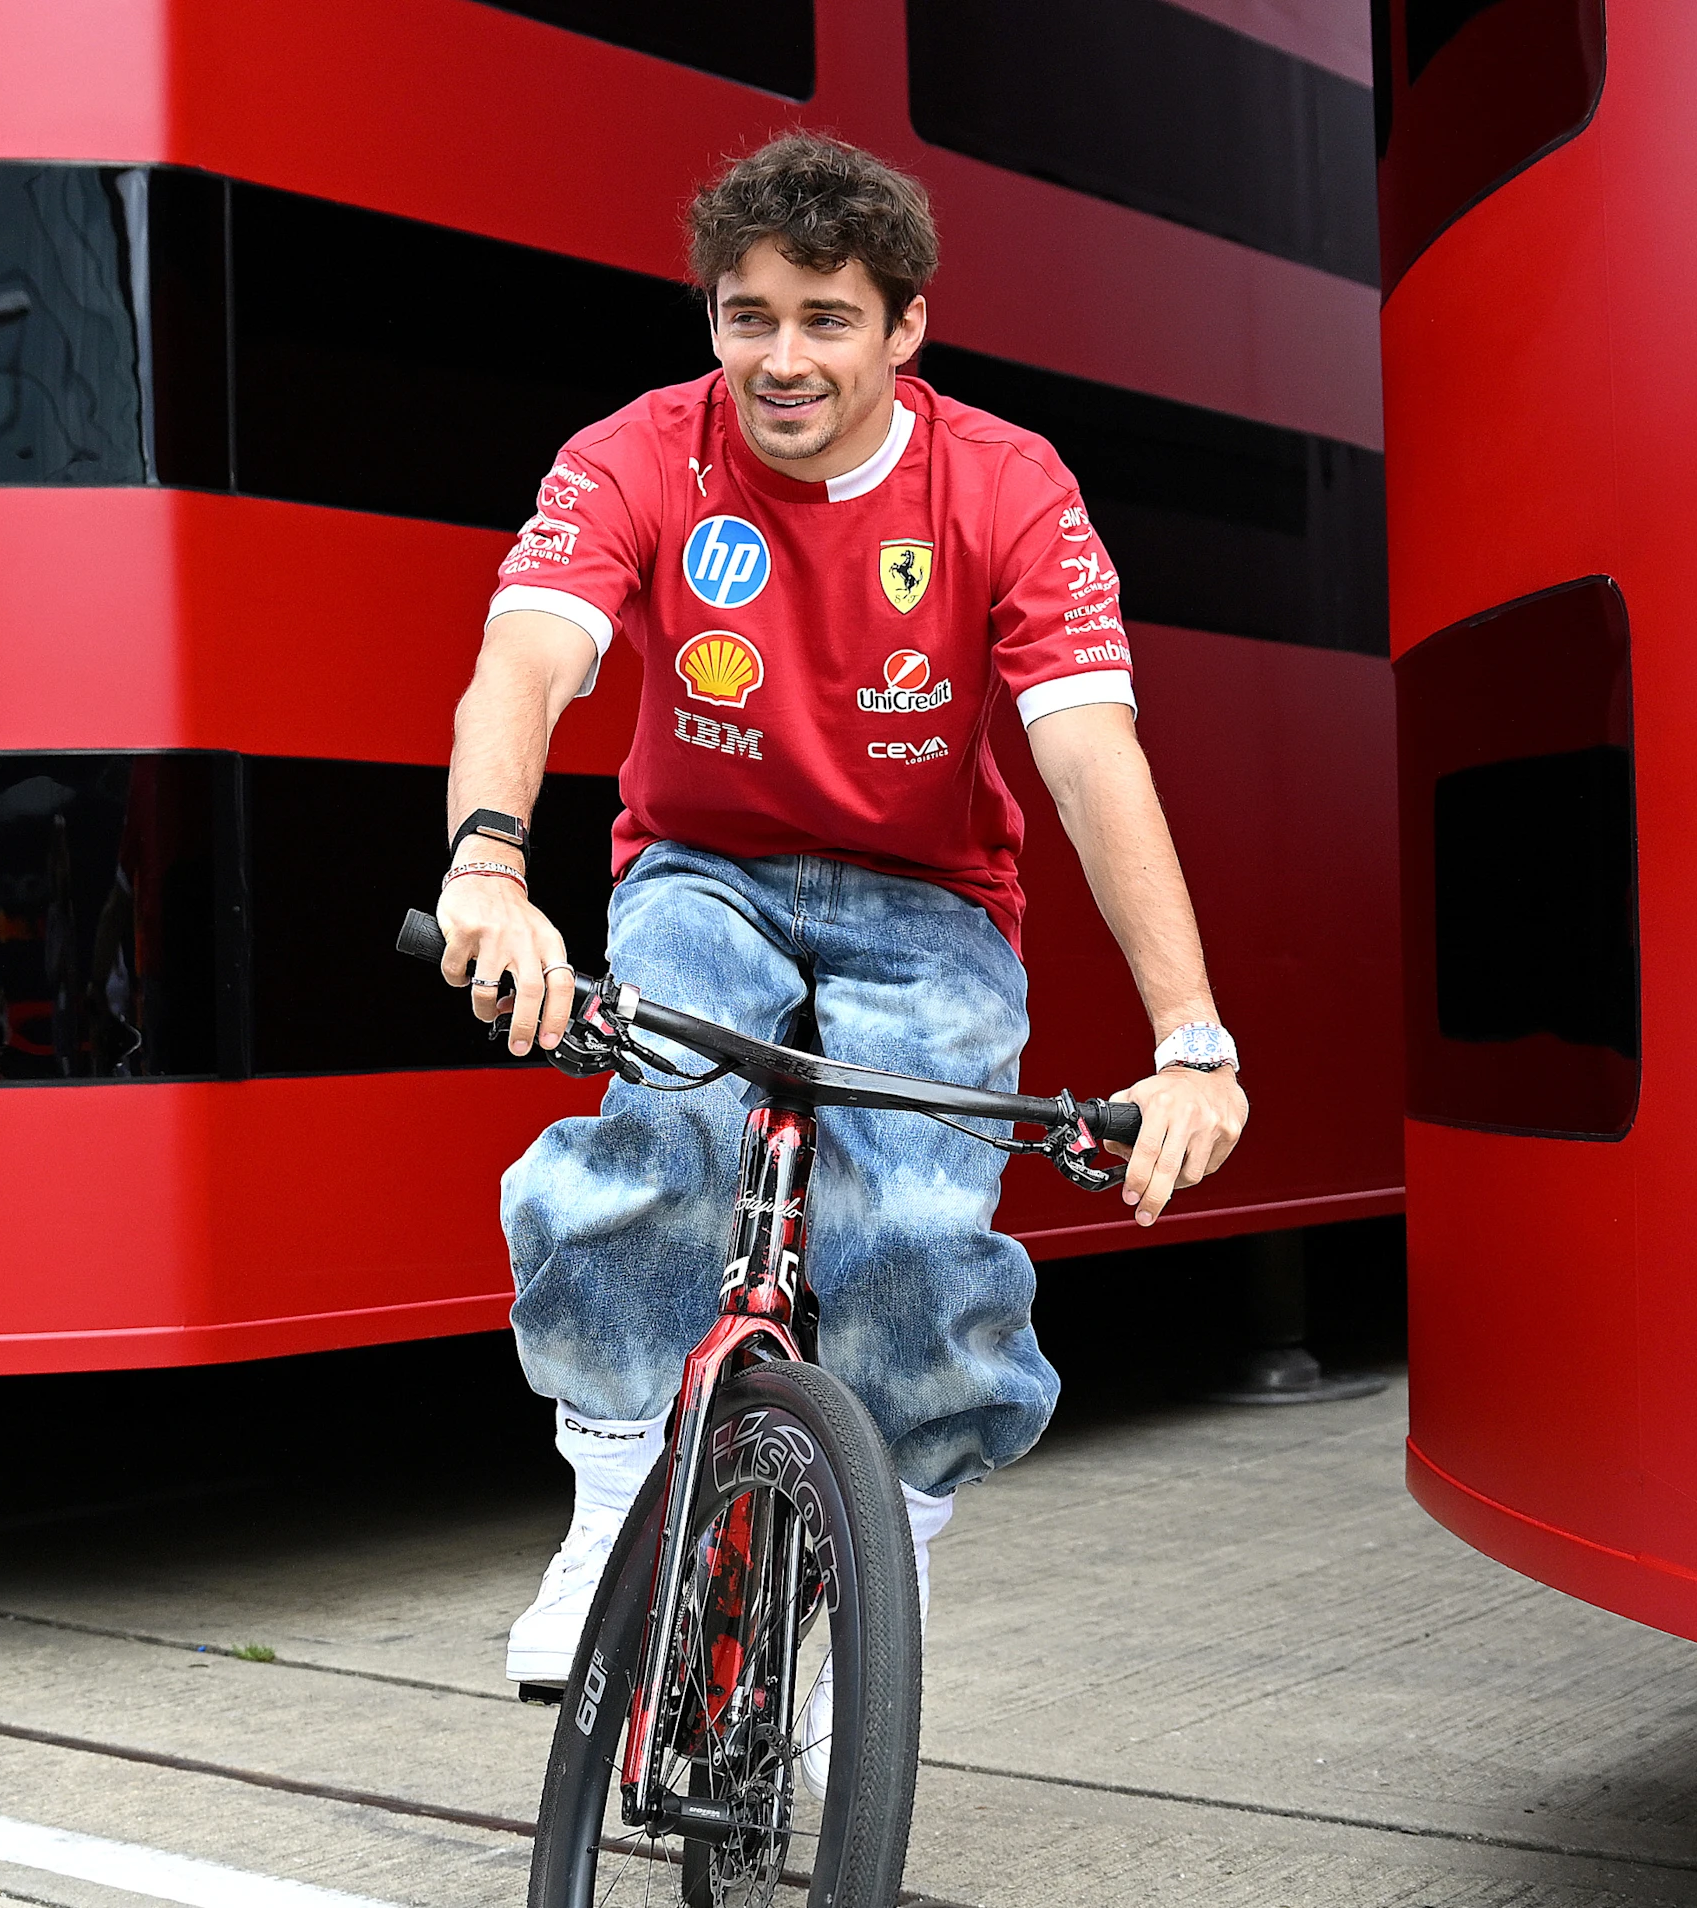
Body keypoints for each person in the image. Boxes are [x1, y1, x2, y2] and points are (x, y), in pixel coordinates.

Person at [432, 135, 1252, 1702]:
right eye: (749, 318)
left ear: (905, 329)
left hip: (931, 902)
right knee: (662, 1135)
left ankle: (882, 1591)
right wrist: (487, 868)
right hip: (702, 871)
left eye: (825, 318)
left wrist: (1191, 1039)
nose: (782, 358)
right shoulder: (637, 454)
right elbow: (527, 662)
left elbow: (1088, 761)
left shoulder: (1009, 487)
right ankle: (612, 1501)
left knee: (919, 1241)